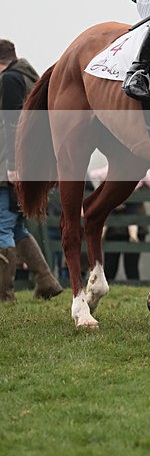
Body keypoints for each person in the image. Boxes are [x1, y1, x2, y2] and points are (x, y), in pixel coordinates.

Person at [0, 40, 63, 301]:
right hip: (26, 164)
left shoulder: (9, 80)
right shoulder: (28, 78)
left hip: (8, 167)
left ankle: (4, 293)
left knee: (2, 226)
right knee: (16, 228)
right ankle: (46, 280)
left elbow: (10, 125)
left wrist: (11, 167)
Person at [90, 168, 150, 281]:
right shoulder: (136, 170)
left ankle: (132, 288)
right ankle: (107, 287)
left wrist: (122, 197)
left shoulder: (135, 171)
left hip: (126, 223)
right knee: (111, 266)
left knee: (130, 266)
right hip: (116, 226)